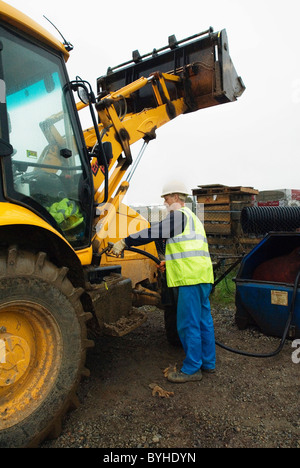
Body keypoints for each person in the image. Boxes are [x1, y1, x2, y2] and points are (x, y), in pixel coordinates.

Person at [111, 180, 216, 383]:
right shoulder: (192, 218)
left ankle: (193, 368)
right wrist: (169, 260)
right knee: (204, 321)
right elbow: (189, 248)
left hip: (189, 280)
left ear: (176, 197)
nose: (165, 202)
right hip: (202, 277)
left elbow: (153, 232)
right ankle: (208, 363)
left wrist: (126, 241)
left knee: (188, 324)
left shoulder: (178, 216)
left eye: (166, 198)